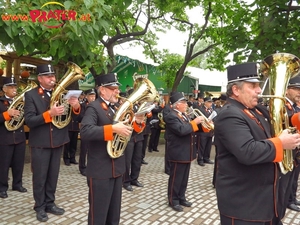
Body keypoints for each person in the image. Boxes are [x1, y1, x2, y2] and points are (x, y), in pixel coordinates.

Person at [214, 62, 300, 225]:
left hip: (266, 204)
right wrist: (281, 143)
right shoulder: (229, 115)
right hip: (244, 207)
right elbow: (247, 151)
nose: (259, 91)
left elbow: (286, 122)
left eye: (258, 86)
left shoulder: (257, 110)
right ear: (236, 90)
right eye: (253, 86)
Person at [24, 64, 81, 222]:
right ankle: (40, 206)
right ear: (40, 78)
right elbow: (29, 120)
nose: (53, 79)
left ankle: (50, 203)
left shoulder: (63, 94)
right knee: (40, 177)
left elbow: (74, 118)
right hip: (41, 142)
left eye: (53, 76)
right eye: (48, 76)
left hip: (58, 141)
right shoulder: (31, 95)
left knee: (53, 176)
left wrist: (75, 106)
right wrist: (49, 114)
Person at [80, 73, 133, 225]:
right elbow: (85, 131)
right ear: (102, 90)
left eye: (117, 88)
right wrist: (113, 129)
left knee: (114, 212)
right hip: (100, 170)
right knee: (99, 214)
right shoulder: (93, 107)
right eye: (113, 88)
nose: (117, 91)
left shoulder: (115, 107)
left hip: (116, 168)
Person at [163, 91, 204, 212]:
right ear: (177, 104)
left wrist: (200, 124)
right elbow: (181, 130)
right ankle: (173, 200)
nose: (186, 104)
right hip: (178, 152)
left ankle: (181, 197)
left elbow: (189, 129)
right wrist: (194, 122)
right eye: (183, 102)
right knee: (176, 178)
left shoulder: (183, 115)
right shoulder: (171, 116)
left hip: (186, 151)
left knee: (184, 177)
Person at [0, 77, 27, 199]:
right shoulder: (0, 102)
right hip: (5, 138)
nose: (14, 89)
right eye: (11, 87)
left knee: (18, 163)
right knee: (3, 164)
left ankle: (17, 184)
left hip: (19, 137)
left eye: (15, 87)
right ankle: (2, 187)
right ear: (4, 89)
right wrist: (7, 114)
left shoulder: (21, 102)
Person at [123, 103, 147, 191]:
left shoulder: (139, 107)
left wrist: (141, 120)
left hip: (139, 137)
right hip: (129, 137)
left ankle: (134, 179)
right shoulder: (125, 107)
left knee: (137, 160)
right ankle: (125, 181)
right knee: (127, 161)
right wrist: (133, 120)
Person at [285, 76, 300, 212]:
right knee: (289, 177)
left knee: (295, 176)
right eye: (296, 88)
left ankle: (292, 198)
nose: (299, 92)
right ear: (287, 90)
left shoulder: (294, 106)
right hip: (287, 148)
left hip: (295, 148)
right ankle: (288, 200)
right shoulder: (283, 106)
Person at [78, 88, 96, 176]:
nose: (93, 98)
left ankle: (90, 166)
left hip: (94, 129)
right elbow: (80, 116)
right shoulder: (83, 105)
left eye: (94, 96)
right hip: (85, 129)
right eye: (91, 96)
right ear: (86, 96)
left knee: (92, 149)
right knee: (84, 149)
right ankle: (82, 167)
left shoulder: (96, 105)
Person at [194, 96, 215, 166]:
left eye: (211, 102)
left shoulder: (211, 110)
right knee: (201, 146)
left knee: (208, 146)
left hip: (210, 131)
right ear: (205, 103)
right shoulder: (201, 110)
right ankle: (200, 159)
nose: (211, 103)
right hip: (202, 131)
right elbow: (197, 120)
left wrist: (212, 122)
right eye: (209, 102)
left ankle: (206, 158)